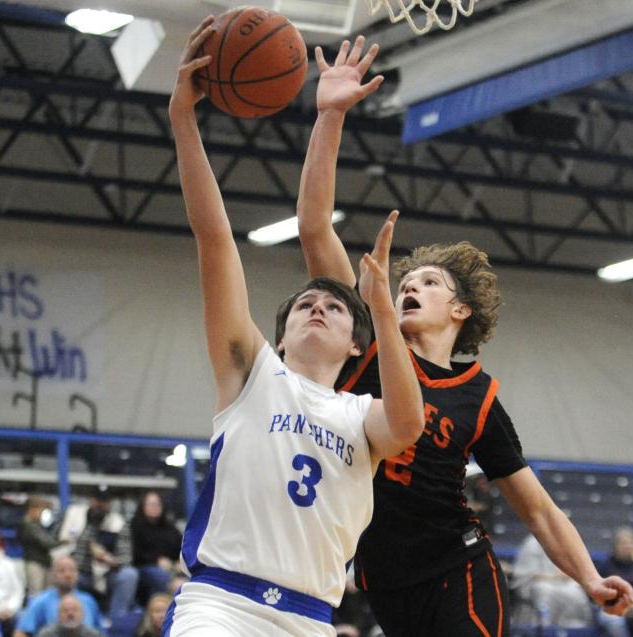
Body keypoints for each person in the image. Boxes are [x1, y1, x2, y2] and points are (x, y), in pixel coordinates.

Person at [296, 33, 633, 637]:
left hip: (459, 570)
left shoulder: (477, 396)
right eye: (406, 279)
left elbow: (535, 507)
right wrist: (329, 116)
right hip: (383, 581)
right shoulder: (369, 346)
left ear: (460, 312)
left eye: (427, 282)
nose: (409, 286)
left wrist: (588, 578)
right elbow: (315, 223)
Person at [162, 19, 424, 637]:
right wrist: (183, 121)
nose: (317, 307)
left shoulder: (362, 414)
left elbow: (408, 423)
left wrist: (382, 308)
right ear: (277, 337)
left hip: (310, 617)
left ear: (357, 342)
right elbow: (216, 240)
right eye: (305, 303)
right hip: (220, 603)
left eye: (334, 307)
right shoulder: (252, 374)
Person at [67, 487, 138, 621]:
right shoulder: (76, 516)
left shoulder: (118, 523)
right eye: (97, 500)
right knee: (68, 575)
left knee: (129, 574)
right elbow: (62, 544)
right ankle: (81, 623)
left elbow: (126, 558)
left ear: (109, 503)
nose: (100, 504)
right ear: (91, 500)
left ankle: (115, 622)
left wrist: (110, 560)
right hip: (81, 573)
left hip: (107, 575)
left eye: (104, 501)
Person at [511, 534, 593, 628]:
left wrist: (565, 575)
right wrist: (552, 577)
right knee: (543, 589)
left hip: (558, 582)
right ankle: (546, 626)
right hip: (535, 583)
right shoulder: (532, 543)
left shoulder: (566, 542)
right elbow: (526, 573)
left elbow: (571, 570)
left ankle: (574, 626)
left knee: (575, 590)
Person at [13, 556, 104, 637]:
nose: (67, 575)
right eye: (62, 571)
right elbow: (20, 633)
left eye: (72, 570)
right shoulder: (41, 601)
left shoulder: (89, 601)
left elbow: (100, 632)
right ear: (53, 575)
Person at [129, 492, 181, 601]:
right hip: (143, 567)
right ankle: (159, 610)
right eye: (151, 504)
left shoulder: (170, 527)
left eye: (157, 504)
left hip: (171, 567)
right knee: (160, 575)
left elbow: (181, 548)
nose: (155, 507)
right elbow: (135, 553)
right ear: (142, 506)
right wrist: (156, 561)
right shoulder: (134, 525)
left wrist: (180, 562)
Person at [17, 498, 67, 598]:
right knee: (36, 594)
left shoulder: (37, 525)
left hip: (43, 563)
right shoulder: (27, 525)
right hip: (34, 563)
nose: (41, 514)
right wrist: (64, 541)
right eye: (41, 510)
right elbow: (46, 543)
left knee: (46, 594)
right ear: (32, 509)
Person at [33, 596, 100, 637]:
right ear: (58, 615)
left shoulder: (93, 635)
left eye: (75, 610)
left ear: (83, 614)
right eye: (65, 610)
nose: (70, 614)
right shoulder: (46, 635)